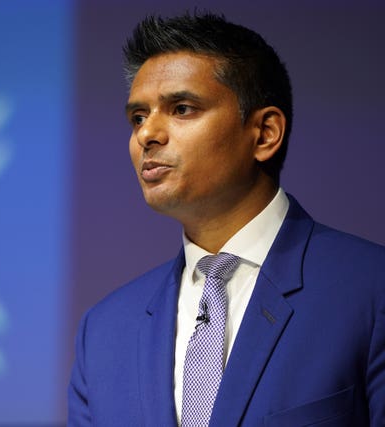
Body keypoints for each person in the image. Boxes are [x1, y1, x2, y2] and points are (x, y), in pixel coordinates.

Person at [67, 12, 385, 427]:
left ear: (265, 133)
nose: (147, 135)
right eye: (138, 117)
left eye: (181, 109)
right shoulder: (105, 331)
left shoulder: (371, 289)